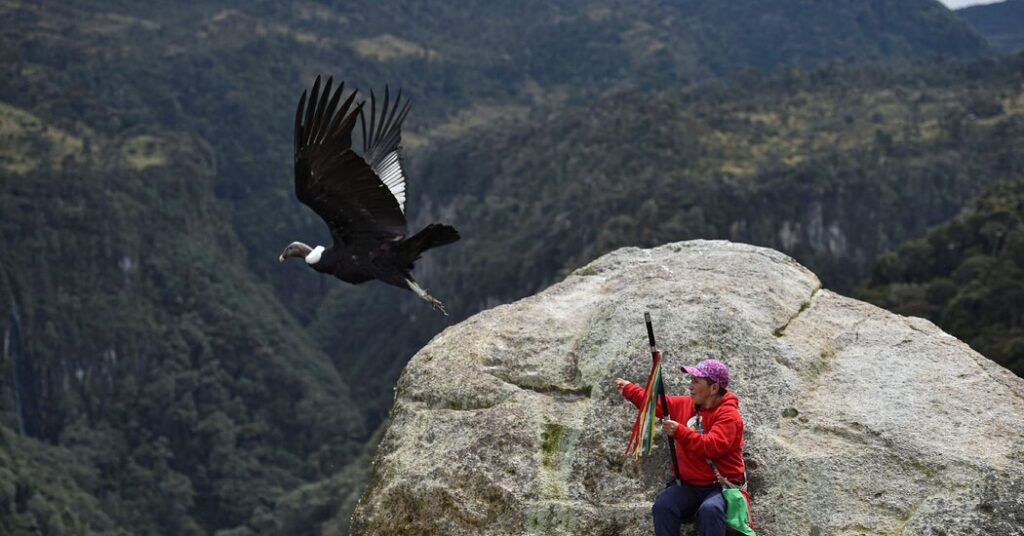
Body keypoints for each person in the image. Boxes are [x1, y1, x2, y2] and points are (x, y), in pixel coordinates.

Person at [615, 358, 750, 536]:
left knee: (710, 511)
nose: (690, 386)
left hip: (720, 487)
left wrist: (680, 431)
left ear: (714, 388)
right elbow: (657, 404)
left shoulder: (730, 416)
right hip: (688, 485)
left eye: (696, 381)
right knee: (664, 506)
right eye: (691, 380)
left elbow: (711, 446)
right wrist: (629, 389)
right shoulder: (686, 404)